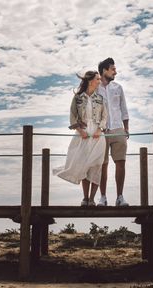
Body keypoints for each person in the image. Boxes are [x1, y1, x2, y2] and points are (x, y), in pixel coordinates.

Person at [53, 70, 107, 206]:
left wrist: (100, 129)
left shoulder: (100, 99)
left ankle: (92, 199)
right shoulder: (77, 98)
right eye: (98, 79)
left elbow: (104, 116)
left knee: (96, 166)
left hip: (97, 135)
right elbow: (72, 116)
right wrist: (79, 130)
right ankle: (85, 198)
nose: (100, 82)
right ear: (90, 81)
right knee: (84, 164)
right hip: (82, 134)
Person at [95, 57, 130, 207]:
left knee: (120, 163)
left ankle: (120, 197)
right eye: (113, 69)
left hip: (118, 129)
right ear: (104, 71)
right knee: (102, 164)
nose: (115, 71)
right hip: (101, 131)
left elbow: (124, 109)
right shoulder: (95, 88)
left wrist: (126, 128)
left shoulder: (118, 87)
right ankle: (102, 197)